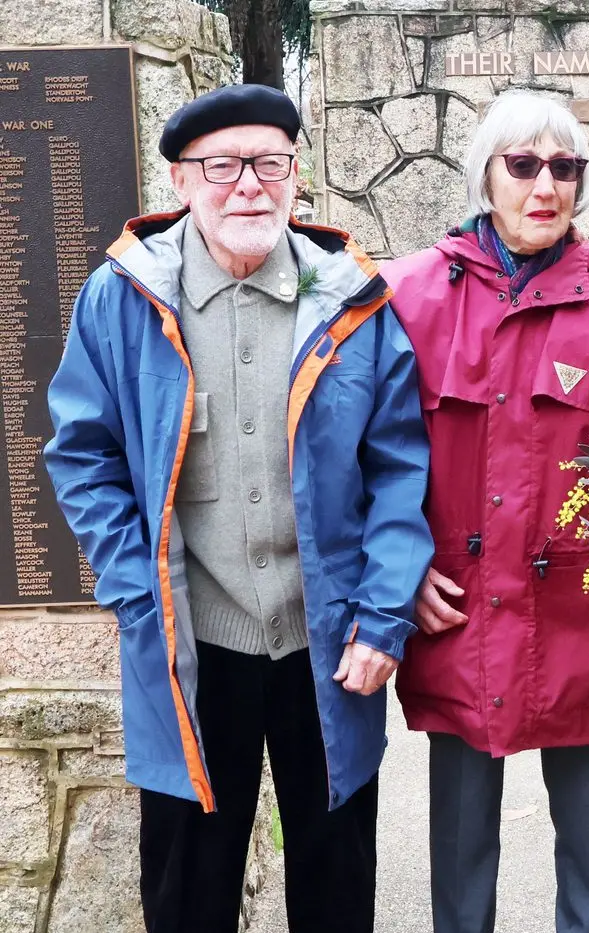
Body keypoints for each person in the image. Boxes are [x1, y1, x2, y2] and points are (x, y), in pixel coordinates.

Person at [43, 84, 433, 933]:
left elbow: (400, 466)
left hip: (327, 645)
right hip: (193, 643)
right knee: (189, 889)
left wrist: (382, 617)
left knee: (335, 885)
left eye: (270, 163)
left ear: (296, 177)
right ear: (181, 181)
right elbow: (82, 453)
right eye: (222, 165)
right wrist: (133, 587)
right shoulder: (121, 301)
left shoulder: (351, 302)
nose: (248, 184)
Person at [380, 91, 589, 933]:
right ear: (486, 176)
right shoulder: (407, 296)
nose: (545, 185)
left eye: (565, 167)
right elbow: (369, 455)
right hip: (459, 610)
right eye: (524, 165)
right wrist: (403, 568)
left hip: (578, 615)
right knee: (461, 841)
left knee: (587, 837)